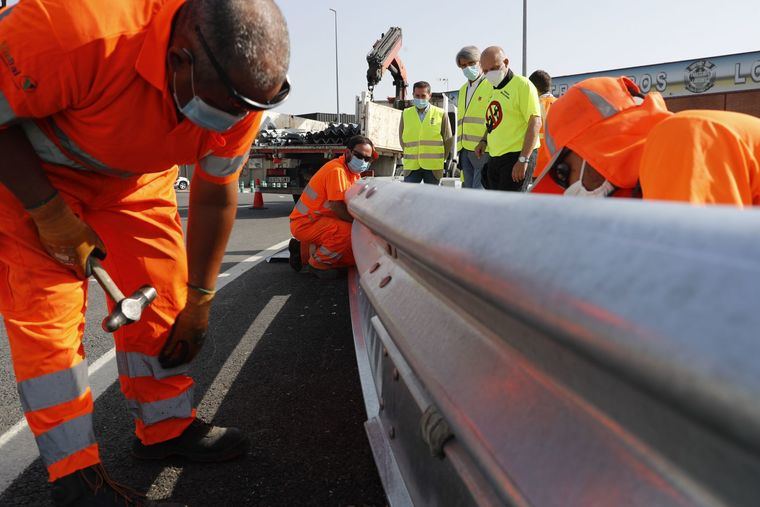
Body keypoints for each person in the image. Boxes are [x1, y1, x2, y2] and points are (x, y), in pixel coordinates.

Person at [0, 0, 290, 504]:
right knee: (48, 323)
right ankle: (76, 479)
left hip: (135, 179)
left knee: (165, 302)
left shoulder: (239, 93)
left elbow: (216, 190)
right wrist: (47, 211)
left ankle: (165, 430)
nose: (230, 124)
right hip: (31, 175)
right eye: (215, 109)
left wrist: (201, 298)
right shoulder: (72, 27)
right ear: (179, 59)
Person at [530, 76, 760, 206]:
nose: (568, 189)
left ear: (593, 151)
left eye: (561, 173)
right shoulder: (653, 170)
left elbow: (696, 274)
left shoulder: (681, 137)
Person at [288, 136, 375, 279]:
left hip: (316, 220)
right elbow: (336, 206)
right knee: (347, 233)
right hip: (306, 223)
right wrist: (358, 223)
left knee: (350, 250)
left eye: (367, 159)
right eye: (359, 156)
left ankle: (302, 252)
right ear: (347, 152)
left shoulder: (352, 174)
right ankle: (318, 265)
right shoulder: (337, 171)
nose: (363, 161)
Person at [475, 46, 542, 192]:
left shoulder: (522, 85)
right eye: (485, 71)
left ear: (506, 62)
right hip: (495, 156)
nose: (489, 74)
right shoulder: (489, 87)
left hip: (517, 156)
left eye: (494, 68)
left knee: (509, 209)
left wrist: (523, 159)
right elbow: (494, 119)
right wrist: (484, 140)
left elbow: (535, 122)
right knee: (495, 207)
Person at [399, 81, 453, 184]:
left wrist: (441, 158)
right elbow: (402, 138)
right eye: (417, 95)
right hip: (412, 166)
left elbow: (448, 140)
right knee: (410, 198)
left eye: (423, 96)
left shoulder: (441, 114)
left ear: (429, 96)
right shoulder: (406, 114)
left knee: (432, 198)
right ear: (413, 95)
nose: (420, 99)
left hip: (433, 167)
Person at [455, 46, 493, 189]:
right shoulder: (463, 89)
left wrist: (485, 141)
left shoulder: (490, 85)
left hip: (483, 149)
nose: (467, 68)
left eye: (471, 63)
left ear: (480, 62)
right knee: (468, 191)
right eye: (463, 65)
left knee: (480, 191)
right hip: (465, 150)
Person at [528, 70, 557, 181]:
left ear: (534, 88)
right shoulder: (560, 104)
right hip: (555, 164)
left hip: (536, 165)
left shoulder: (532, 106)